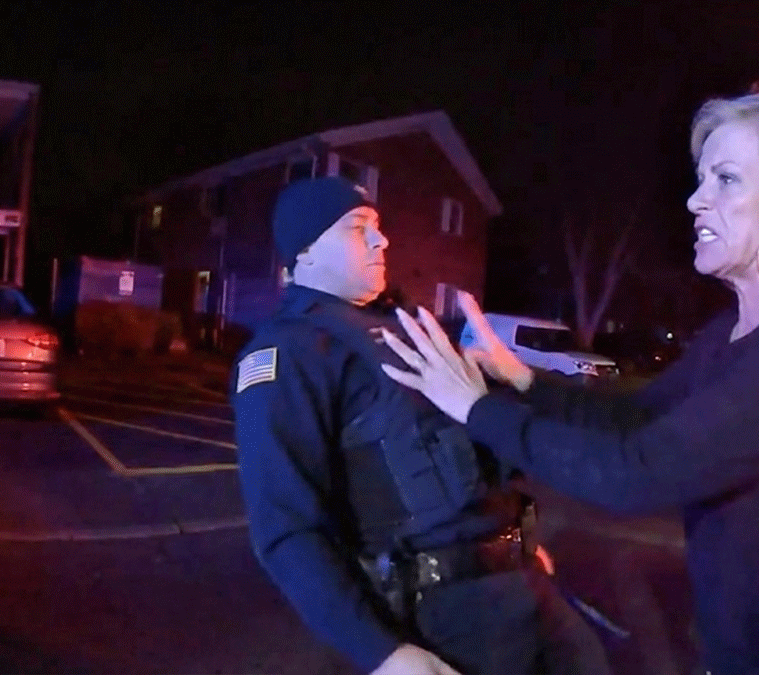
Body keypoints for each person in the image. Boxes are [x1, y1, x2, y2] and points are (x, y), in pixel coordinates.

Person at [378, 88, 759, 675]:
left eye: (726, 180)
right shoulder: (735, 332)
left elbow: (635, 471)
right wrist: (522, 378)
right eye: (701, 179)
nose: (696, 200)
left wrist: (477, 410)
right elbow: (636, 417)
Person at [231, 176, 610, 675]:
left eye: (380, 227)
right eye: (358, 227)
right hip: (444, 619)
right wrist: (383, 653)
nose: (381, 239)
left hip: (522, 587)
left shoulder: (404, 329)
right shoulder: (290, 351)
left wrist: (517, 550)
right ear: (305, 252)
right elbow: (285, 528)